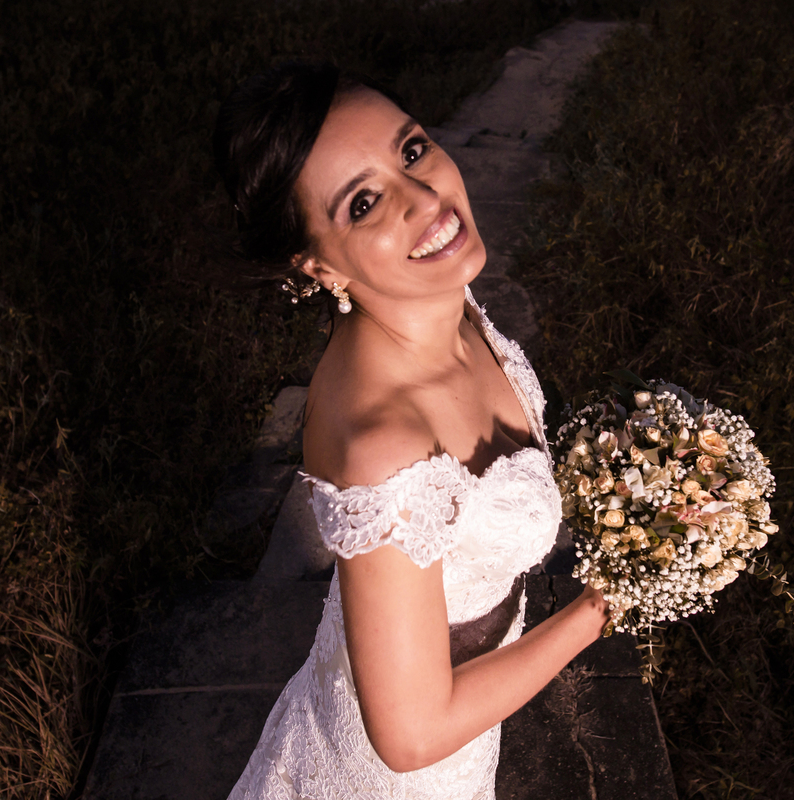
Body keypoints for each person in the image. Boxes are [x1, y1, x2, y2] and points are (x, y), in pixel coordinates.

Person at [213, 61, 610, 800]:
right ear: (315, 265)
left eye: (412, 150)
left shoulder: (438, 302)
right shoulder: (384, 450)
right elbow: (411, 736)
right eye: (363, 203)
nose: (425, 201)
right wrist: (599, 609)